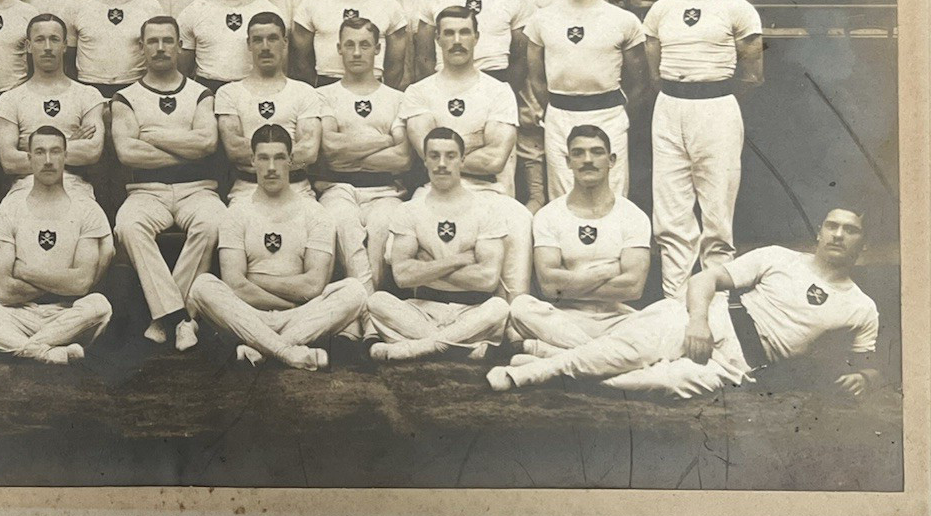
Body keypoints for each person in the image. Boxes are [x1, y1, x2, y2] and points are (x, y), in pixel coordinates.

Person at [489, 208, 879, 401]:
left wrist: (863, 379)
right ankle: (525, 376)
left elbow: (870, 367)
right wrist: (698, 323)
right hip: (709, 321)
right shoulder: (780, 257)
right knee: (624, 351)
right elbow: (706, 278)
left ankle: (545, 360)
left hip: (738, 365)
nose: (839, 235)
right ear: (819, 232)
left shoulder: (861, 308)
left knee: (647, 384)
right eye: (833, 226)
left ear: (862, 244)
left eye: (851, 230)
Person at [644, 0, 764, 297]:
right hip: (669, 110)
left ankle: (716, 306)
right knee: (671, 216)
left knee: (716, 216)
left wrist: (712, 99)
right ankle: (674, 303)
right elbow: (654, 72)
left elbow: (752, 73)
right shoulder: (661, 10)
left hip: (717, 109)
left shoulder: (736, 8)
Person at [187, 126, 368, 370]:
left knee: (354, 291)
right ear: (252, 161)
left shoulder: (315, 214)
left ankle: (263, 347)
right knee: (202, 287)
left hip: (301, 315)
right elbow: (234, 284)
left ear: (291, 161)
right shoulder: (236, 213)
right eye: (263, 158)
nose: (271, 167)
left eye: (279, 157)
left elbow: (313, 286)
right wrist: (287, 304)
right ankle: (287, 351)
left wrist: (255, 278)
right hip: (250, 313)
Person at [0, 128, 115, 363]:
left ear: (66, 156)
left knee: (99, 306)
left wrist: (23, 270)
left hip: (66, 314)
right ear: (29, 158)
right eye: (40, 152)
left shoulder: (87, 209)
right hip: (15, 314)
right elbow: (5, 292)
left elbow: (81, 284)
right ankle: (45, 350)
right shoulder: (9, 209)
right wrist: (62, 281)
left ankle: (5, 346)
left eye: (55, 152)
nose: (49, 161)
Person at [399, 6, 532, 297]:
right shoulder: (419, 92)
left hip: (487, 192)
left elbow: (495, 159)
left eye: (464, 32)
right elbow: (427, 155)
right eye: (449, 33)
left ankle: (512, 313)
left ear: (476, 37)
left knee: (519, 219)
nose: (457, 40)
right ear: (437, 38)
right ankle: (430, 305)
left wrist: (444, 152)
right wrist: (474, 142)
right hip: (436, 190)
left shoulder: (498, 91)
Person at [111, 16, 225, 350]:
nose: (161, 48)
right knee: (129, 226)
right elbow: (128, 153)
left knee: (214, 222)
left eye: (168, 41)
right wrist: (185, 146)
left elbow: (206, 144)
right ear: (142, 47)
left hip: (198, 188)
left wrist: (153, 134)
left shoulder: (201, 93)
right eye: (153, 41)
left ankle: (164, 317)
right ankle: (182, 319)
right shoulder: (125, 97)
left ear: (179, 45)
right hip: (146, 191)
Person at [367, 128, 511, 361]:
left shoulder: (486, 210)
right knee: (377, 301)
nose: (442, 163)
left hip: (471, 311)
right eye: (434, 156)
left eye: (450, 156)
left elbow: (487, 279)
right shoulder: (409, 211)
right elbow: (402, 276)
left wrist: (426, 266)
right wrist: (457, 260)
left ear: (462, 160)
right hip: (424, 309)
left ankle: (419, 348)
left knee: (499, 308)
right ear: (424, 160)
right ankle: (457, 348)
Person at [506, 126, 652, 351]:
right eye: (578, 153)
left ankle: (558, 354)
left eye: (596, 152)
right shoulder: (549, 215)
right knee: (521, 307)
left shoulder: (633, 216)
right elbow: (548, 286)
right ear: (567, 161)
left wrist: (569, 282)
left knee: (672, 312)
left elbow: (633, 287)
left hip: (615, 317)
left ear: (611, 160)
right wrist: (607, 271)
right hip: (565, 318)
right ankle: (606, 355)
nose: (587, 160)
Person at [526, 0, 648, 200]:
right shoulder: (541, 19)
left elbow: (639, 83)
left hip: (608, 115)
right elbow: (536, 79)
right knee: (562, 198)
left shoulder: (623, 20)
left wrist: (619, 116)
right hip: (560, 116)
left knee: (611, 198)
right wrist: (555, 108)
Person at [315, 18, 409, 292]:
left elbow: (403, 158)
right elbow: (330, 149)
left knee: (382, 226)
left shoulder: (397, 98)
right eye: (350, 45)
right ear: (339, 49)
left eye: (364, 45)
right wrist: (384, 139)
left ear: (378, 49)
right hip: (338, 188)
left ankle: (361, 306)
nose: (357, 52)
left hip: (386, 190)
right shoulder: (323, 95)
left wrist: (350, 154)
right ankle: (369, 307)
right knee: (344, 224)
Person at [0, 14, 106, 199]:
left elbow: (92, 151)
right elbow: (9, 161)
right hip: (25, 186)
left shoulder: (88, 95)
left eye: (54, 39)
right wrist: (69, 145)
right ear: (28, 46)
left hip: (74, 185)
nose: (47, 47)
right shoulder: (10, 99)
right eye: (39, 40)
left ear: (65, 45)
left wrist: (31, 150)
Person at [215, 13, 325, 205]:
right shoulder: (229, 93)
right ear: (249, 44)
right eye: (258, 40)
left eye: (272, 38)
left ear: (284, 42)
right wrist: (285, 154)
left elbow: (309, 153)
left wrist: (261, 158)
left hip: (297, 187)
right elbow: (234, 150)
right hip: (247, 188)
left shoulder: (304, 92)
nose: (265, 47)